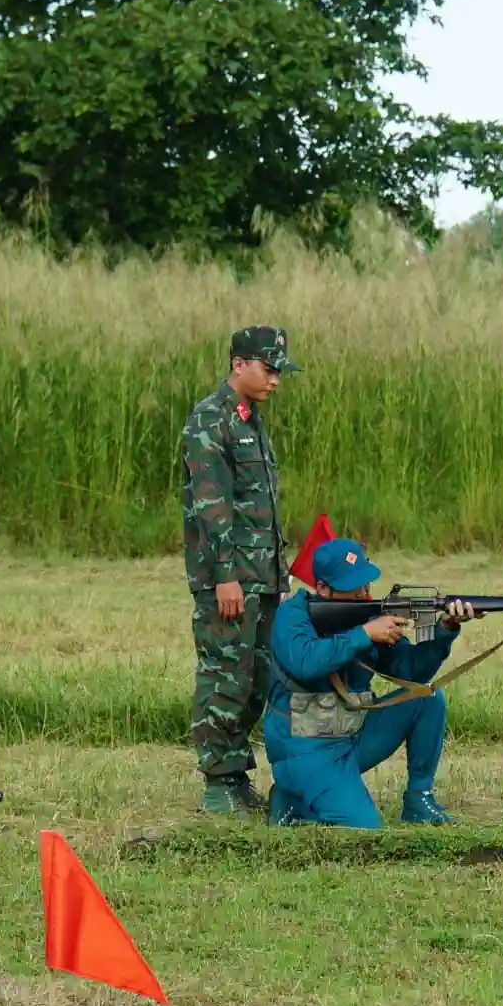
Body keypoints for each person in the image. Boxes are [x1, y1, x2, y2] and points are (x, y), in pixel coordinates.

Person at [263, 539, 478, 828]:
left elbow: (412, 671)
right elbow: (306, 661)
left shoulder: (367, 615)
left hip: (353, 735)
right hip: (305, 748)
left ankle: (419, 800)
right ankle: (292, 797)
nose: (364, 593)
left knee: (426, 698)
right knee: (363, 828)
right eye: (353, 586)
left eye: (365, 583)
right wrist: (364, 634)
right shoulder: (293, 615)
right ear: (323, 588)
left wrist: (445, 629)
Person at [182, 325, 297, 816]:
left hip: (262, 575)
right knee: (225, 676)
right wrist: (225, 575)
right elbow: (212, 507)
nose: (275, 380)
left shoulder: (249, 420)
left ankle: (235, 778)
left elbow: (262, 510)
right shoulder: (211, 420)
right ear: (239, 364)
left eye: (279, 372)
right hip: (230, 579)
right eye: (268, 369)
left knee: (256, 677)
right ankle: (217, 784)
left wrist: (280, 577)